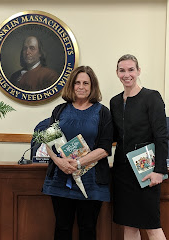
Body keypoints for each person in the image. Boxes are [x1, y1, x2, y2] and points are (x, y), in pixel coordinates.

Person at [42, 66, 113, 240]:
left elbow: (104, 148)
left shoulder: (103, 113)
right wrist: (59, 162)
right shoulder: (59, 111)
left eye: (86, 83)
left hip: (91, 181)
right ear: (72, 86)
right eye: (77, 83)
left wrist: (78, 163)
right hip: (61, 177)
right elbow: (49, 142)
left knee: (88, 229)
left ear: (92, 86)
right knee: (62, 228)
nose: (81, 87)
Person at [110, 54, 168, 240]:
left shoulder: (152, 97)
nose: (127, 74)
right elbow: (115, 136)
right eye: (122, 70)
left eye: (131, 70)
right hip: (122, 172)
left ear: (138, 71)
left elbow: (161, 136)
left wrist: (159, 170)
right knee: (129, 225)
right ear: (117, 73)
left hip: (146, 170)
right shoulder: (115, 102)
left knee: (152, 226)